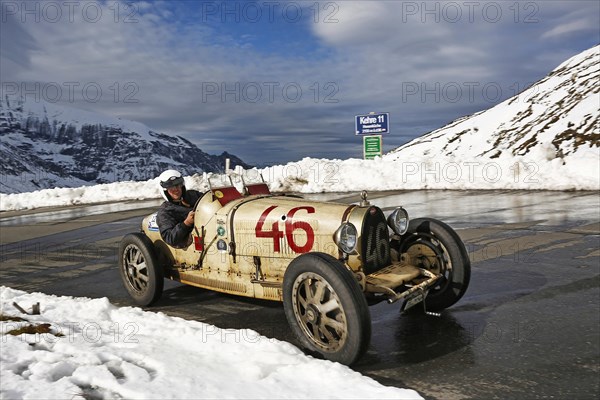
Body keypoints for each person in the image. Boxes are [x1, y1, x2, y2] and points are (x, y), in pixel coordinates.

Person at [156, 169, 203, 248]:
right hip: (190, 242)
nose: (176, 189)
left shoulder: (193, 195)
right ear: (165, 191)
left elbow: (208, 198)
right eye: (171, 187)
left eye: (178, 185)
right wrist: (186, 223)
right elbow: (169, 238)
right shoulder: (165, 211)